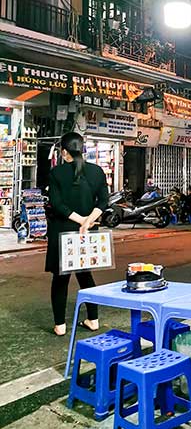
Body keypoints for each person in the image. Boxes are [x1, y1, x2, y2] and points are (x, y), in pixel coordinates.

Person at [47, 132, 109, 336]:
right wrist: (88, 220)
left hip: (62, 231)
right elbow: (103, 202)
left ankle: (60, 326)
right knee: (85, 277)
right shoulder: (97, 172)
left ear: (64, 152)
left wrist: (81, 220)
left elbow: (57, 204)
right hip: (86, 233)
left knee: (60, 279)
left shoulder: (57, 173)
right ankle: (93, 320)